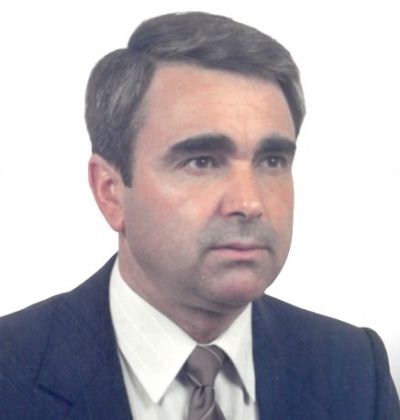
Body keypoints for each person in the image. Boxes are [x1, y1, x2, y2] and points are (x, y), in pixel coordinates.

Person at [0, 11, 398, 420]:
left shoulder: (353, 366)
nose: (249, 202)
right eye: (202, 161)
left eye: (272, 160)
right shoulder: (9, 370)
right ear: (111, 192)